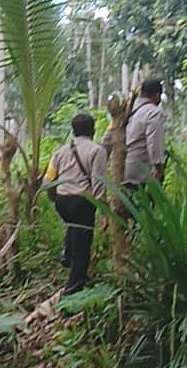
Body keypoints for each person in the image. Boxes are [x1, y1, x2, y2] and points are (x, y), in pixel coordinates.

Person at [43, 113, 107, 295]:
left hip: (62, 201)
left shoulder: (60, 151)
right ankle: (72, 290)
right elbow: (98, 182)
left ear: (73, 131)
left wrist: (53, 198)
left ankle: (67, 254)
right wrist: (103, 211)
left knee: (73, 228)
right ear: (93, 130)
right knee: (83, 249)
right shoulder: (97, 150)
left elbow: (48, 179)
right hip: (82, 202)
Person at [101, 78, 166, 188]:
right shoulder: (153, 112)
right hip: (140, 172)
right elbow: (154, 143)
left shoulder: (127, 110)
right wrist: (159, 168)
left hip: (122, 169)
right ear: (157, 96)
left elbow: (106, 140)